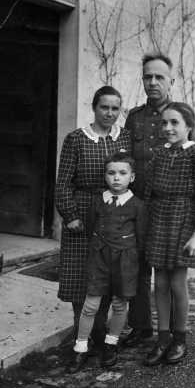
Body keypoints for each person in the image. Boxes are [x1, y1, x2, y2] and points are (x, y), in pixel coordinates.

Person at [124, 52, 195, 347]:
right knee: (139, 267)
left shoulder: (180, 116)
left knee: (168, 277)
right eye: (148, 76)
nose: (153, 82)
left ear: (171, 80)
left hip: (172, 211)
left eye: (159, 77)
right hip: (138, 204)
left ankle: (170, 333)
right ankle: (141, 326)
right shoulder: (134, 118)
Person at [55, 86, 131, 350]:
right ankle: (81, 334)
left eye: (115, 108)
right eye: (104, 107)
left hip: (113, 215)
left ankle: (100, 332)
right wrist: (70, 215)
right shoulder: (76, 139)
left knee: (107, 275)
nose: (110, 113)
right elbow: (63, 182)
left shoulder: (125, 138)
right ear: (94, 107)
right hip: (83, 214)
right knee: (81, 278)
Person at [143, 102, 195, 366]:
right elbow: (149, 191)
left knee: (176, 283)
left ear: (189, 126)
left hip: (183, 222)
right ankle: (162, 337)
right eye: (164, 123)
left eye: (174, 123)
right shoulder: (159, 153)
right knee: (159, 284)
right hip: (159, 221)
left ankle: (180, 337)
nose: (168, 128)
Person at [68, 152, 146, 373]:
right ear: (105, 176)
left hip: (125, 260)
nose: (116, 178)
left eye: (122, 173)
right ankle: (80, 347)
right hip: (99, 258)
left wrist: (134, 263)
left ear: (132, 177)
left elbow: (141, 238)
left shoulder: (138, 205)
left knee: (120, 304)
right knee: (91, 304)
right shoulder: (97, 201)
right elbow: (93, 226)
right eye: (111, 173)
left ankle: (111, 345)